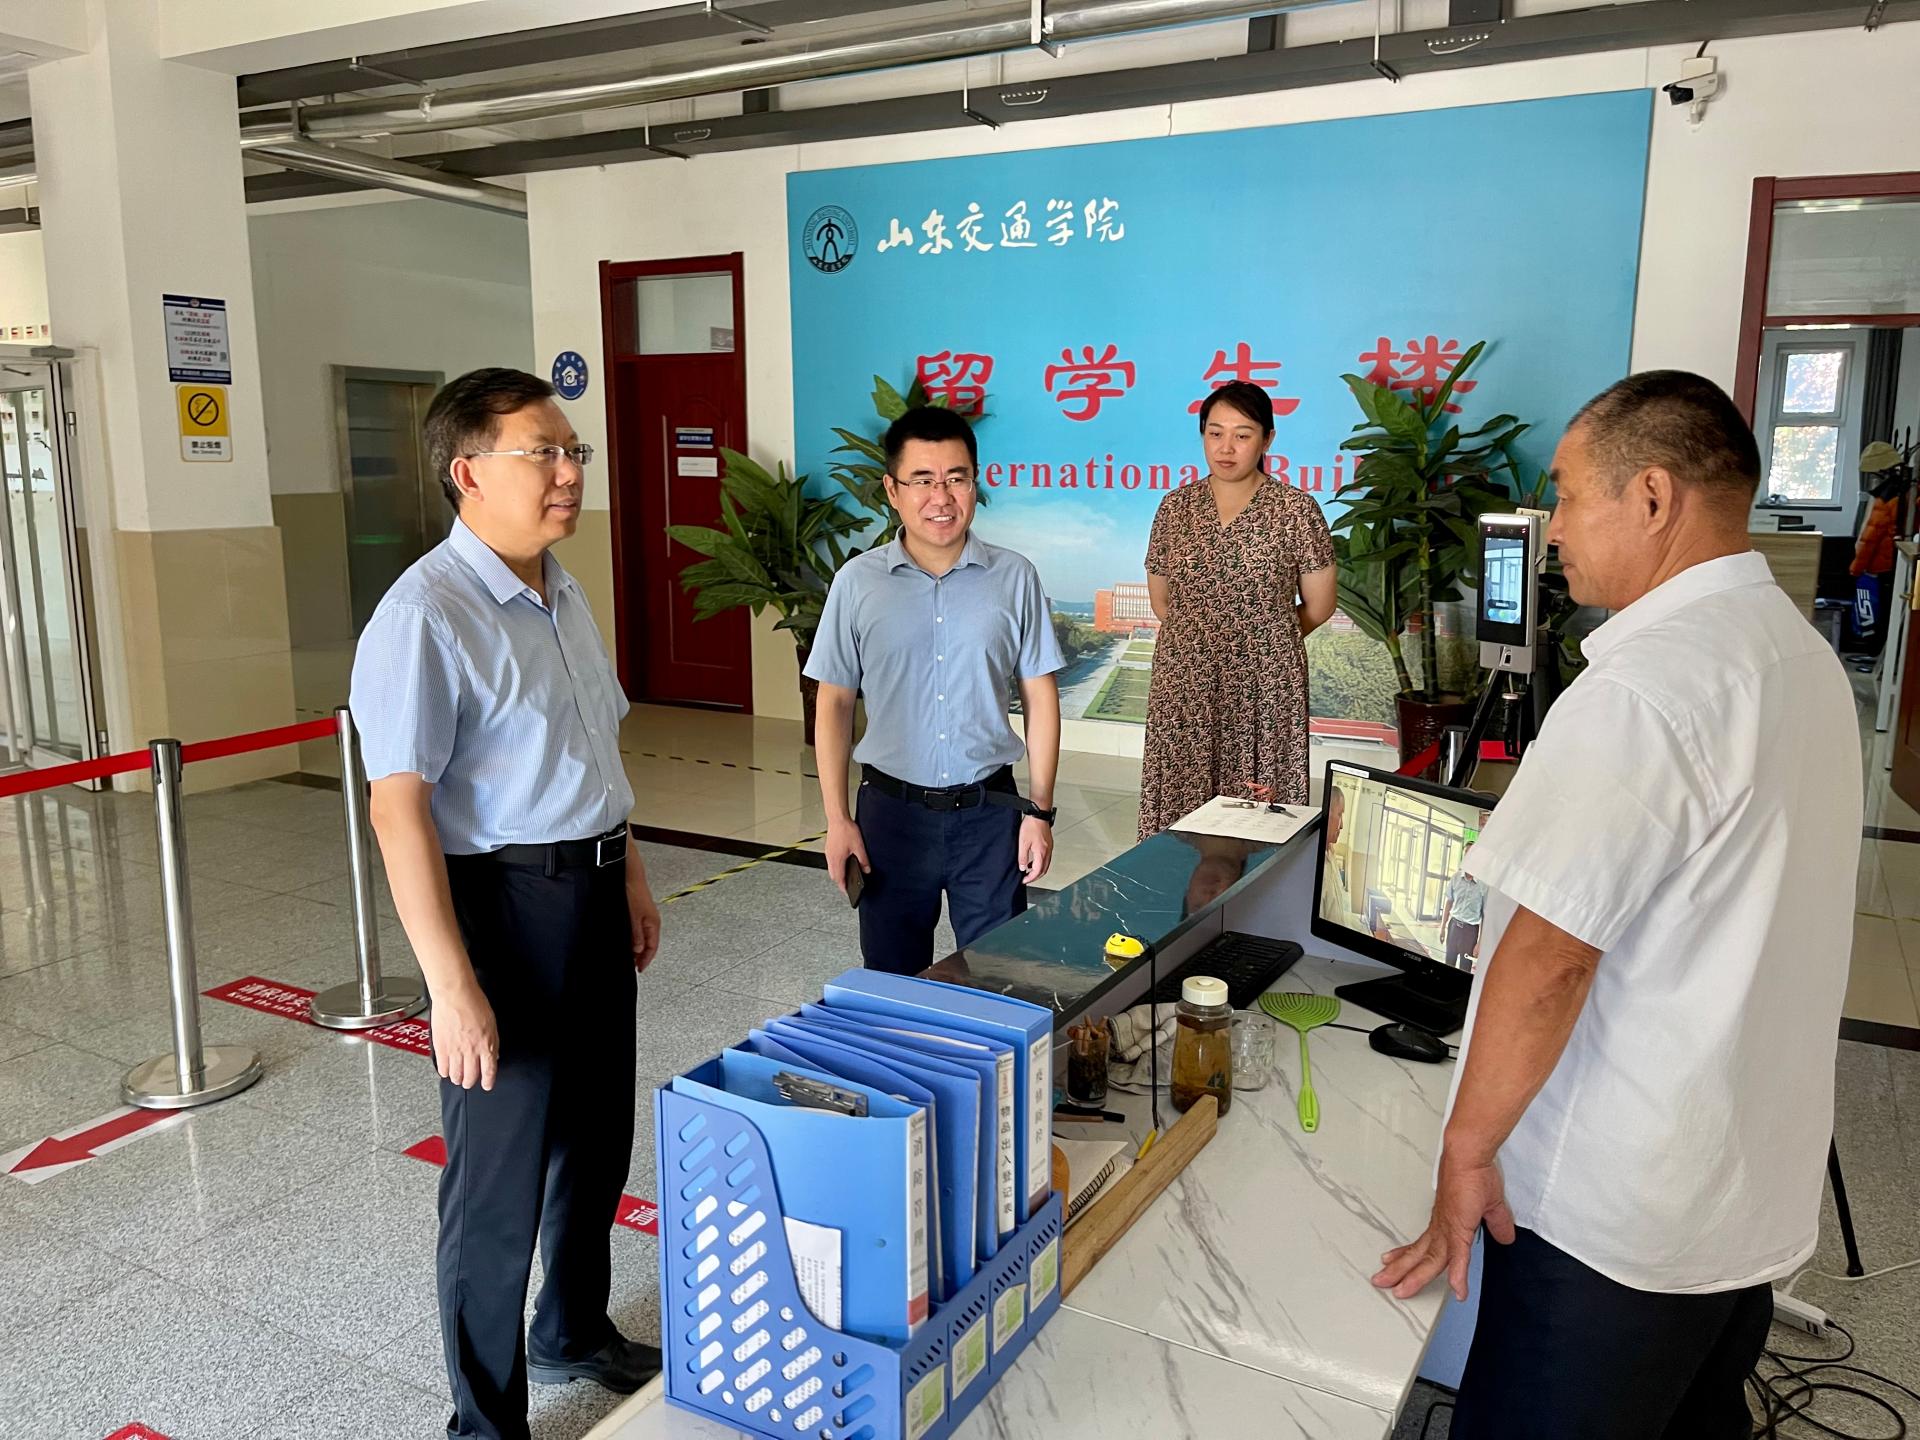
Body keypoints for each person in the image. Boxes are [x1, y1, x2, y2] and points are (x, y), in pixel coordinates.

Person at [1373, 371, 1861, 1439]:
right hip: (1734, 1197)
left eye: (1564, 492)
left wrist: (1466, 1153)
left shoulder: (1644, 689)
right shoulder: (1802, 659)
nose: (1551, 527)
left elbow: (1552, 955)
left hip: (1611, 1228)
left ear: (1651, 497)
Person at [351, 368, 663, 1440]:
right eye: (545, 452)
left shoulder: (563, 592)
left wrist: (628, 873)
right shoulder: (425, 614)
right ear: (469, 471)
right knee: (498, 1180)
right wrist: (451, 988)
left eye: (574, 452)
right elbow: (398, 809)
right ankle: (484, 1423)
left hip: (591, 892)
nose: (570, 472)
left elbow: (592, 751)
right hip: (503, 908)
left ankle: (571, 1325)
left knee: (596, 1136)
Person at [808, 405, 1065, 974]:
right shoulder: (857, 583)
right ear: (892, 490)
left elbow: (1040, 697)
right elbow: (835, 702)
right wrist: (838, 819)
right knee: (893, 980)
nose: (941, 497)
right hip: (889, 819)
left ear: (976, 483)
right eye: (922, 480)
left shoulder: (1015, 576)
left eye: (956, 478)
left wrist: (1040, 812)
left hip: (990, 814)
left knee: (1001, 977)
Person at [1138, 381, 1338, 839]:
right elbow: (1163, 601)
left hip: (1266, 682)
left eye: (1242, 435)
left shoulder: (1296, 510)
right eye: (1215, 433)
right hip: (1185, 676)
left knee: (1258, 809)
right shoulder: (1175, 508)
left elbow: (1320, 605)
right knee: (1181, 798)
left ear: (1267, 440)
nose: (1226, 448)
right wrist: (1208, 642)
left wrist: (1266, 641)